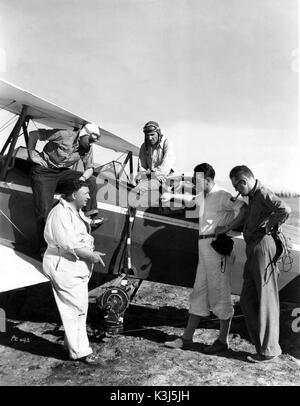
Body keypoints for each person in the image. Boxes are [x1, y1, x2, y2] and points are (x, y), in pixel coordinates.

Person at [163, 163, 246, 353]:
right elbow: (191, 198)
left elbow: (243, 210)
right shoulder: (203, 196)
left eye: (197, 180)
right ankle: (187, 338)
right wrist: (171, 196)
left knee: (220, 293)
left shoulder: (222, 195)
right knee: (198, 293)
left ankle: (222, 341)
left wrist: (226, 228)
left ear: (208, 180)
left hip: (217, 250)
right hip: (203, 248)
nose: (194, 183)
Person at [215, 165, 291, 363]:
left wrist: (269, 225)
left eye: (237, 186)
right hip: (253, 249)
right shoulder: (252, 196)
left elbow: (285, 209)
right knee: (247, 299)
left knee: (266, 299)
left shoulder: (263, 193)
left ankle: (269, 351)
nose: (237, 191)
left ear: (244, 181)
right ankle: (262, 346)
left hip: (263, 248)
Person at [42, 179, 105, 364]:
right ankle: (81, 352)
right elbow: (69, 244)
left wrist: (89, 252)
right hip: (64, 265)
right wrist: (90, 255)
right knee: (75, 309)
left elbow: (78, 238)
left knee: (78, 308)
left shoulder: (74, 211)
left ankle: (72, 346)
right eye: (85, 193)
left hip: (73, 266)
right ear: (73, 195)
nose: (89, 196)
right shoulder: (60, 214)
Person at [28, 122, 105, 251]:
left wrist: (82, 179)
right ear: (83, 134)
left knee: (90, 181)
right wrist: (31, 153)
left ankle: (88, 217)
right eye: (90, 139)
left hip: (61, 173)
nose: (91, 143)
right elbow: (34, 134)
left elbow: (90, 168)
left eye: (94, 141)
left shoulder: (87, 148)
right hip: (43, 171)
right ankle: (44, 248)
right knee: (43, 212)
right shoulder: (64, 134)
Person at [129, 121, 176, 208]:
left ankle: (132, 213)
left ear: (158, 133)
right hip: (152, 178)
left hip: (167, 178)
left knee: (139, 189)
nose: (149, 138)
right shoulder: (144, 146)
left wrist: (151, 173)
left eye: (152, 134)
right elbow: (141, 169)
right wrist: (147, 175)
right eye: (147, 135)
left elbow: (165, 169)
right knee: (132, 181)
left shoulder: (167, 143)